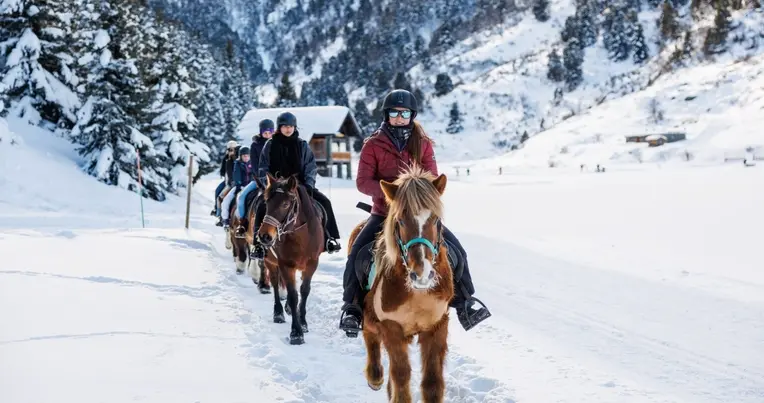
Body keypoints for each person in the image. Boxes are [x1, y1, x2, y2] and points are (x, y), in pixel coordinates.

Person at [339, 89, 491, 335]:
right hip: (384, 212)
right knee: (358, 254)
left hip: (419, 215)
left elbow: (431, 177)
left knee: (457, 252)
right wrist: (395, 195)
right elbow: (363, 181)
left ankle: (465, 303)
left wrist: (415, 196)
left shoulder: (423, 143)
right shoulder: (372, 145)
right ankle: (352, 307)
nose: (399, 117)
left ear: (412, 115)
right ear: (387, 115)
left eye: (404, 113)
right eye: (394, 113)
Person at [250, 111, 341, 259]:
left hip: (299, 186)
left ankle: (330, 238)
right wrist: (269, 184)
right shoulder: (270, 145)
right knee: (261, 205)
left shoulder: (302, 145)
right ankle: (258, 244)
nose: (288, 129)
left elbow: (310, 167)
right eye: (285, 126)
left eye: (291, 126)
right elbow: (263, 167)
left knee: (325, 202)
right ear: (279, 128)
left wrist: (309, 185)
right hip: (276, 187)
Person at [233, 119, 274, 237]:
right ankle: (243, 223)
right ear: (261, 132)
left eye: (269, 132)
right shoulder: (255, 146)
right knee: (241, 197)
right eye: (265, 133)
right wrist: (262, 179)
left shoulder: (277, 143)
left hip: (276, 180)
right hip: (259, 180)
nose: (267, 135)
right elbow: (255, 165)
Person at [221, 145, 252, 230]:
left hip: (251, 186)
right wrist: (238, 185)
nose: (246, 158)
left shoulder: (252, 163)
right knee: (226, 201)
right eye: (244, 156)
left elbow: (254, 175)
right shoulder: (237, 164)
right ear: (240, 156)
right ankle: (225, 220)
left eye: (247, 156)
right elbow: (236, 175)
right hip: (240, 186)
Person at [213, 140, 239, 226]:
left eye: (233, 149)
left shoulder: (239, 159)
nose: (231, 151)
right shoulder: (226, 159)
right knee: (218, 192)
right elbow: (223, 171)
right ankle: (218, 212)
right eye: (229, 149)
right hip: (227, 181)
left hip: (236, 182)